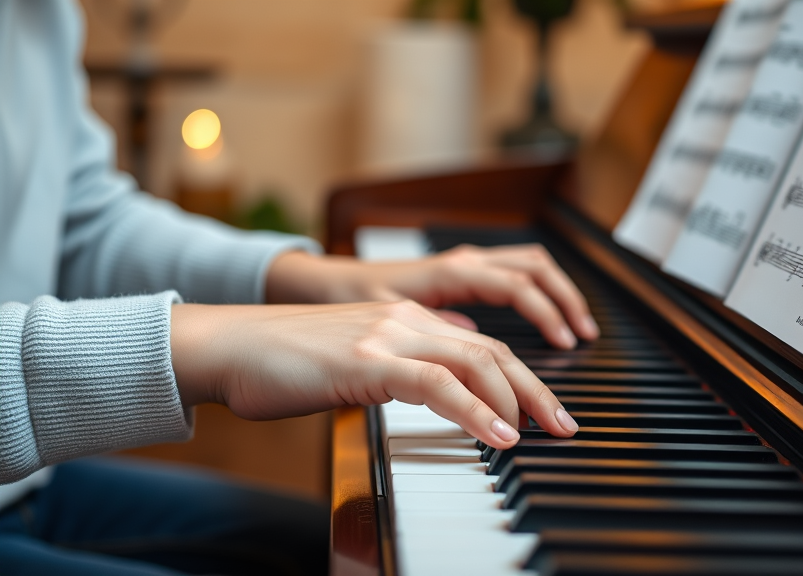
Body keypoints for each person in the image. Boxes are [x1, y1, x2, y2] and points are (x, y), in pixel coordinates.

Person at [0, 1, 595, 574]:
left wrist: (311, 279)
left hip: (28, 484)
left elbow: (76, 219)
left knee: (338, 544)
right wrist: (210, 346)